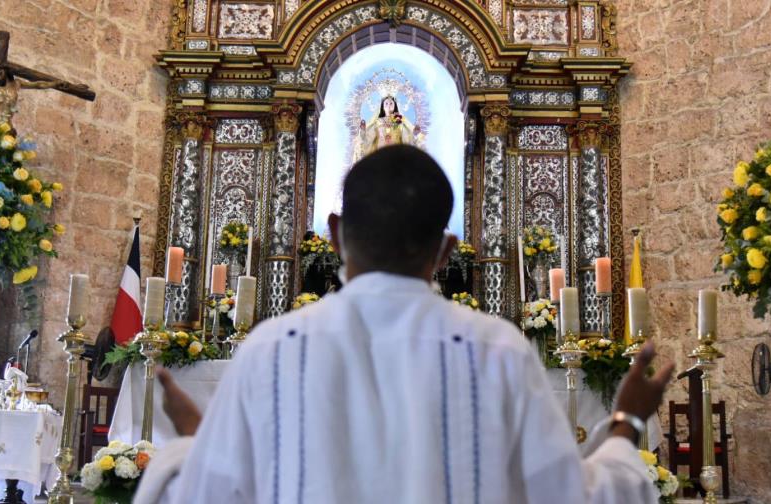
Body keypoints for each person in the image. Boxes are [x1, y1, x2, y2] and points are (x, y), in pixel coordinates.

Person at [135, 145, 673, 503]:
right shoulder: (499, 350)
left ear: (337, 231)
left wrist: (190, 441)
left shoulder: (272, 347)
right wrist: (625, 421)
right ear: (446, 250)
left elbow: (204, 496)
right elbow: (571, 497)